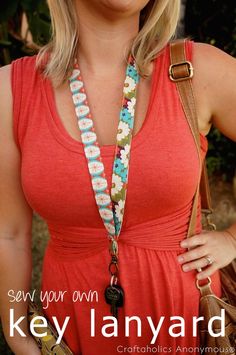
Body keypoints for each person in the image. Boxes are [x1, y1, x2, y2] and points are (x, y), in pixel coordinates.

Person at [0, 0, 236, 354]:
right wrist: (18, 336)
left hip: (183, 325)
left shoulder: (197, 70)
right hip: (74, 328)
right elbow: (10, 234)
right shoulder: (11, 90)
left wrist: (233, 238)